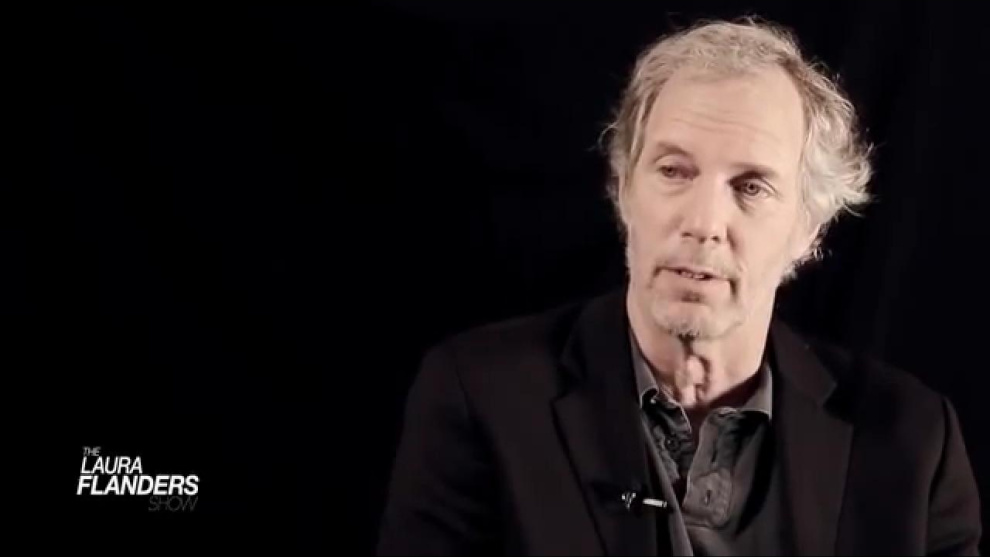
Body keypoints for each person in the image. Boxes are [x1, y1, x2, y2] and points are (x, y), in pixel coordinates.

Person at [376, 18, 982, 556]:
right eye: (673, 170)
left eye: (750, 187)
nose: (702, 222)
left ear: (810, 228)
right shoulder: (480, 398)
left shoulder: (913, 443)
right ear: (623, 189)